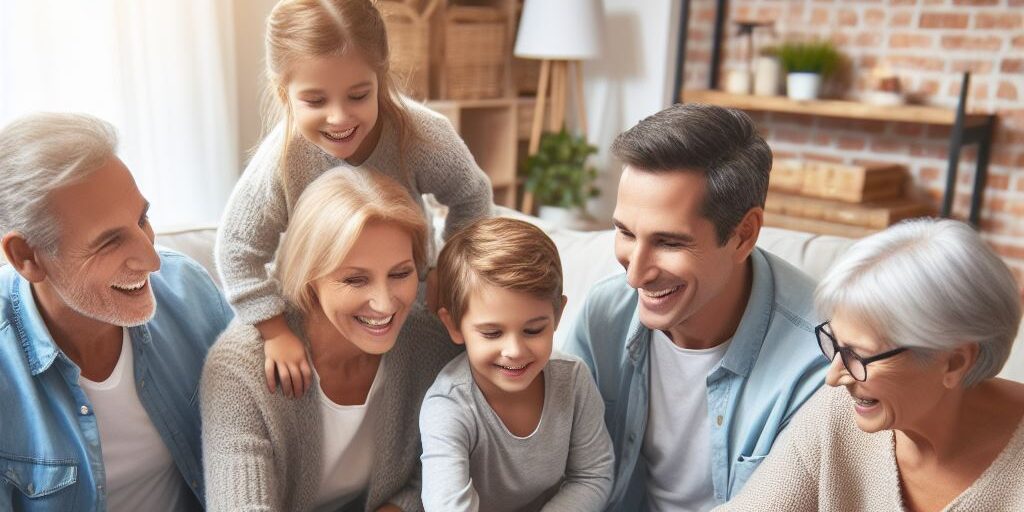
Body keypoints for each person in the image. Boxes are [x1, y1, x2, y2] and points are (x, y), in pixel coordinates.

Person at [215, 0, 492, 399]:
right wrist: (275, 331)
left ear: (380, 78)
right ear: (284, 93)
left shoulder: (421, 135)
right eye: (315, 101)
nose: (339, 117)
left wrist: (444, 276)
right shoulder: (283, 159)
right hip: (316, 314)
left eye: (359, 95)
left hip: (405, 306)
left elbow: (472, 196)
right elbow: (236, 248)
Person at [564, 103, 829, 510]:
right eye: (625, 233)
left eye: (669, 242)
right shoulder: (604, 316)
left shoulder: (818, 361)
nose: (634, 276)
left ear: (743, 235)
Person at [0, 113, 232, 510]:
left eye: (142, 218)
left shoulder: (187, 290)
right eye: (109, 242)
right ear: (26, 257)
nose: (151, 260)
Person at [716, 218, 1024, 511]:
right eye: (834, 344)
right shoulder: (838, 413)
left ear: (954, 362)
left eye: (858, 354)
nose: (834, 376)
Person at [202, 168, 460, 512]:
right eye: (355, 280)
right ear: (309, 277)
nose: (385, 304)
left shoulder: (432, 346)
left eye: (400, 273)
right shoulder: (240, 370)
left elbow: (438, 469)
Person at [421, 217, 614, 511]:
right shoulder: (448, 405)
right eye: (492, 333)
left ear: (558, 315)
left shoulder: (573, 380)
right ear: (455, 326)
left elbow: (593, 475)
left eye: (533, 330)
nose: (514, 351)